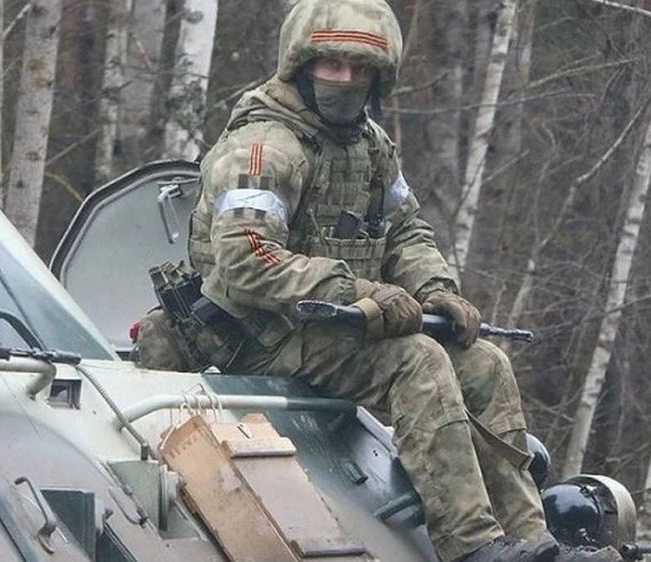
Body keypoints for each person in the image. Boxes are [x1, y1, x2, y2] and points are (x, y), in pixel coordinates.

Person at [154, 1, 620, 561]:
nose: (346, 80)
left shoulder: (369, 146)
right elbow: (245, 260)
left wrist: (435, 289)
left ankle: (529, 540)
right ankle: (473, 547)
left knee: (484, 364)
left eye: (361, 69)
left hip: (329, 328)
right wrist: (361, 291)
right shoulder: (264, 148)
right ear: (301, 66)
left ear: (379, 77)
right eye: (332, 65)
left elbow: (405, 230)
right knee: (416, 361)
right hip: (256, 336)